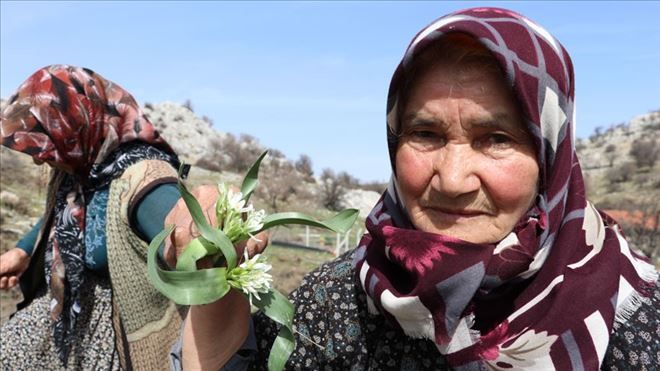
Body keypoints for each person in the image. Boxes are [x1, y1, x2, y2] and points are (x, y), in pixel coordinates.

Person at [172, 7, 659, 371]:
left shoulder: (638, 325)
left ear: (550, 156)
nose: (451, 178)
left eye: (497, 139)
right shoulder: (337, 301)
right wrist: (214, 272)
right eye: (426, 134)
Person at [0, 65, 186, 370]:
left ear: (76, 126)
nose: (37, 160)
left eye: (47, 144)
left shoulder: (144, 183)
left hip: (120, 343)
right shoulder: (81, 169)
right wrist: (21, 252)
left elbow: (193, 244)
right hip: (69, 319)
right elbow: (63, 216)